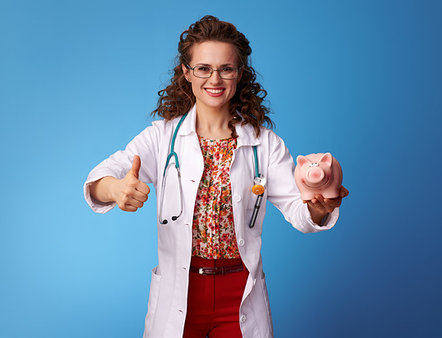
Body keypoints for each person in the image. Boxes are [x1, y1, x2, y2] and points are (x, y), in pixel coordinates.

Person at [83, 15, 349, 338]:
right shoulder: (162, 138)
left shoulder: (263, 144)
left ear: (239, 74)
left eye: (226, 68)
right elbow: (100, 179)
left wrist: (318, 209)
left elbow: (299, 209)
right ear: (187, 73)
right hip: (181, 290)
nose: (215, 79)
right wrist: (115, 189)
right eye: (204, 68)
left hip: (238, 292)